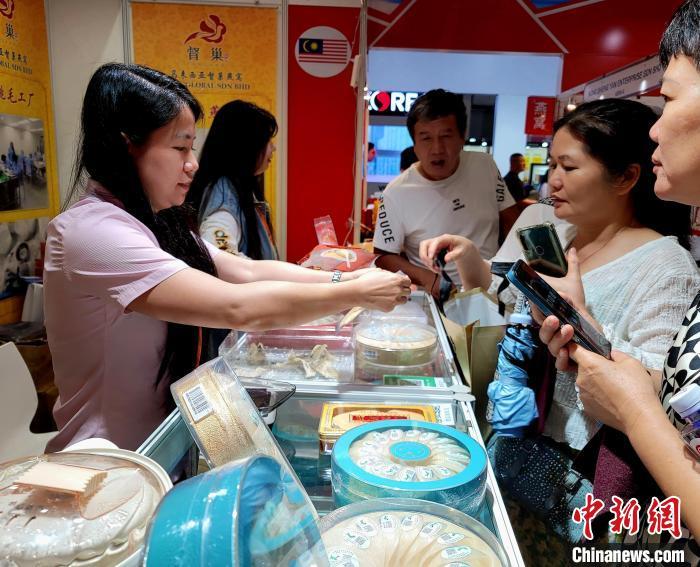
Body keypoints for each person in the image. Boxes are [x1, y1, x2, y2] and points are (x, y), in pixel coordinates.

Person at [43, 63, 411, 452]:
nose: (192, 163)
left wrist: (348, 280)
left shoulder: (155, 221)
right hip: (110, 458)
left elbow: (247, 270)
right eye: (180, 147)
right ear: (126, 146)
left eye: (192, 147)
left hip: (164, 444)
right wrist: (357, 293)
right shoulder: (92, 232)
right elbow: (237, 305)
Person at [537, 1, 700, 558]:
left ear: (625, 178)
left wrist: (630, 404)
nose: (655, 128)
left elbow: (655, 400)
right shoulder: (564, 240)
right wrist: (581, 332)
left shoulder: (666, 265)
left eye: (669, 99)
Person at [374, 88, 520, 298]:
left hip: (494, 289)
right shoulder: (395, 193)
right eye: (426, 138)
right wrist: (428, 279)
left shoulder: (485, 166)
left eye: (446, 136)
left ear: (462, 137)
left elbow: (511, 221)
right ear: (414, 145)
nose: (437, 149)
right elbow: (383, 256)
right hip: (438, 297)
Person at [188, 100, 278, 260]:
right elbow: (220, 253)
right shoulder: (225, 194)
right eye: (267, 141)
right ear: (247, 145)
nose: (273, 148)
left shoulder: (237, 188)